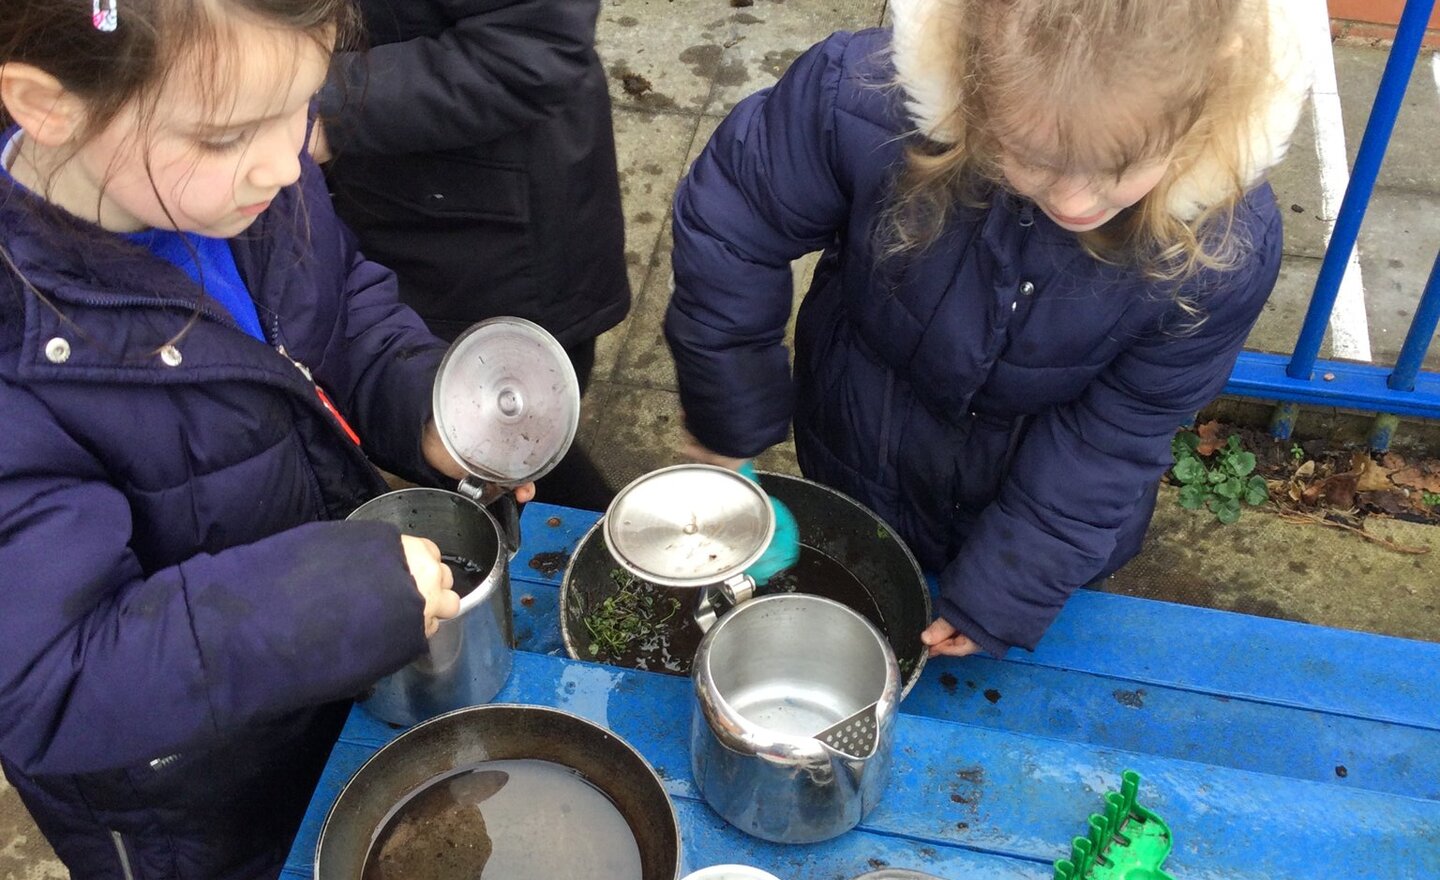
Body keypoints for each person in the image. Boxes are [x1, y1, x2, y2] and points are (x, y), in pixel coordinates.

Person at [0, 1, 528, 875]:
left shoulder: (252, 180)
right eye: (226, 135)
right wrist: (327, 601)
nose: (287, 165)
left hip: (334, 684)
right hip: (196, 801)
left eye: (306, 103)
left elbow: (336, 299)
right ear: (48, 105)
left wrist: (424, 405)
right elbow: (50, 679)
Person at [665, 0, 1309, 659]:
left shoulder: (1222, 248)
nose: (1073, 201)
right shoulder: (862, 99)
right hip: (859, 428)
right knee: (865, 550)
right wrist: (728, 410)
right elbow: (735, 225)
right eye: (1029, 155)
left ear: (1205, 106)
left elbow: (1113, 438)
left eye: (1117, 169)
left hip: (1031, 491)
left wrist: (1011, 585)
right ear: (968, 73)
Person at [311, 0, 630, 511]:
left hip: (499, 239)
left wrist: (324, 108)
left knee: (524, 442)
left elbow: (535, 41)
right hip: (378, 210)